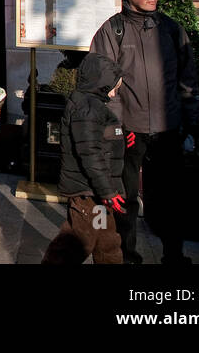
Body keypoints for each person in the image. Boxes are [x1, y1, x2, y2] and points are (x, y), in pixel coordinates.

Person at [89, 0, 199, 265]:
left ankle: (174, 255)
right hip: (130, 128)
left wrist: (191, 123)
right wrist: (115, 126)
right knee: (125, 198)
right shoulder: (113, 30)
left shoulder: (172, 29)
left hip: (168, 127)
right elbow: (102, 84)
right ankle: (127, 256)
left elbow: (188, 79)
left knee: (170, 198)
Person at [43, 53, 129, 264]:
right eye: (114, 87)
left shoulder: (92, 105)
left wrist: (121, 135)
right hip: (88, 191)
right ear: (101, 83)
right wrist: (107, 191)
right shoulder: (87, 109)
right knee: (76, 242)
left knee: (107, 241)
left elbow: (100, 138)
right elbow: (89, 153)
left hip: (98, 191)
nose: (115, 92)